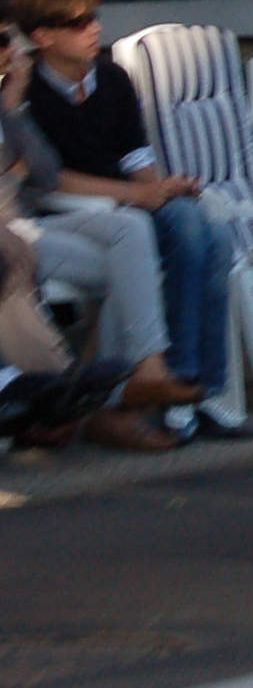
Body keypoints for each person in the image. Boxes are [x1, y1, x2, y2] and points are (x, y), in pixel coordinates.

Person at [12, 0, 252, 442]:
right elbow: (50, 179)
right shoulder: (29, 95)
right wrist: (138, 197)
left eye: (94, 17)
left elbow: (135, 156)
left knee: (206, 230)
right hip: (67, 214)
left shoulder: (113, 78)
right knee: (169, 229)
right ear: (42, 37)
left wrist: (161, 188)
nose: (93, 29)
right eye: (78, 22)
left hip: (123, 206)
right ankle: (181, 387)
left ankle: (199, 390)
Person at [3, 55, 177, 450]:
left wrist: (13, 111)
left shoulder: (8, 106)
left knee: (130, 233)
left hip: (28, 227)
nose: (10, 54)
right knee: (129, 269)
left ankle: (147, 366)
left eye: (10, 42)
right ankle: (101, 405)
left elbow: (45, 173)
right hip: (9, 238)